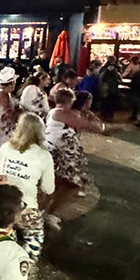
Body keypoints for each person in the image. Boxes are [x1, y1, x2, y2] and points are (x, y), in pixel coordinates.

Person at [0, 114, 55, 279]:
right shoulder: (44, 156)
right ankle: (25, 274)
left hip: (1, 203)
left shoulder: (5, 148)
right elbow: (49, 189)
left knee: (2, 233)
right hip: (25, 207)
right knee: (34, 236)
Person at [44, 89, 105, 229]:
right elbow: (95, 127)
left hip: (59, 153)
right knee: (71, 186)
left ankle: (47, 212)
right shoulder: (62, 113)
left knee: (58, 184)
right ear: (69, 101)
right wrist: (91, 116)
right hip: (58, 154)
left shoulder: (57, 112)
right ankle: (49, 214)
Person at [97, 57, 121, 122]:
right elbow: (101, 77)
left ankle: (110, 115)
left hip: (113, 89)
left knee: (111, 103)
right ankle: (104, 114)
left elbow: (119, 79)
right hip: (105, 89)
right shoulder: (104, 68)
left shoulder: (117, 69)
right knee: (105, 102)